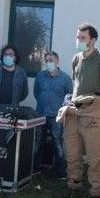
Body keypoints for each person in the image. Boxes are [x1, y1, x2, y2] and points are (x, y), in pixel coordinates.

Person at [55, 23, 100, 198]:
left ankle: (96, 193)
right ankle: (74, 186)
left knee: (95, 156)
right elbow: (76, 84)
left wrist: (92, 102)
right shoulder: (76, 59)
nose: (79, 41)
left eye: (83, 38)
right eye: (77, 37)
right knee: (73, 154)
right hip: (73, 113)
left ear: (93, 40)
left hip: (92, 115)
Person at [34, 51, 72, 179]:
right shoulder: (40, 76)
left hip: (57, 116)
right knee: (38, 142)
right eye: (47, 60)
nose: (49, 62)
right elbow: (36, 93)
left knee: (57, 143)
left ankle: (60, 171)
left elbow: (69, 97)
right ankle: (35, 169)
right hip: (40, 115)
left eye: (51, 60)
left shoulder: (65, 78)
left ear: (57, 61)